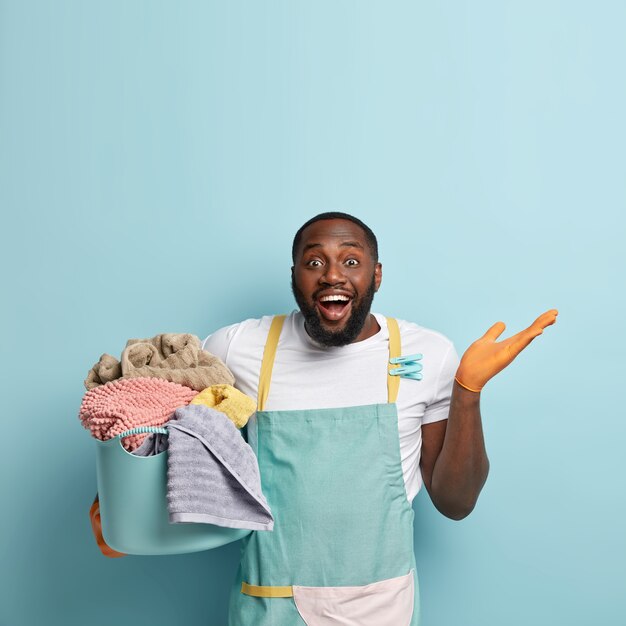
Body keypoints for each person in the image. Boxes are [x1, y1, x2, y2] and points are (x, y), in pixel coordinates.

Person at [201, 212, 558, 625]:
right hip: (269, 605)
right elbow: (159, 417)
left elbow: (456, 502)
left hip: (381, 608)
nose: (332, 275)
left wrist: (467, 391)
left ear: (377, 275)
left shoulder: (428, 353)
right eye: (314, 262)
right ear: (294, 274)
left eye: (351, 261)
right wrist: (117, 509)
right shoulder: (238, 347)